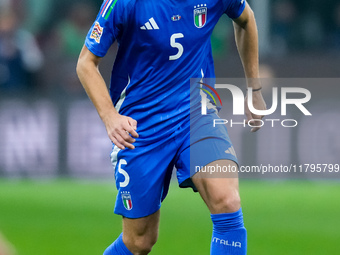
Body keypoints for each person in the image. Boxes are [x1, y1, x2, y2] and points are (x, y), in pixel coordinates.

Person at [77, 0, 267, 254]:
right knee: (139, 241)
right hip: (142, 126)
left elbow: (246, 19)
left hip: (196, 113)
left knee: (227, 200)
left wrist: (254, 89)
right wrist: (111, 117)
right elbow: (85, 63)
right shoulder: (125, 3)